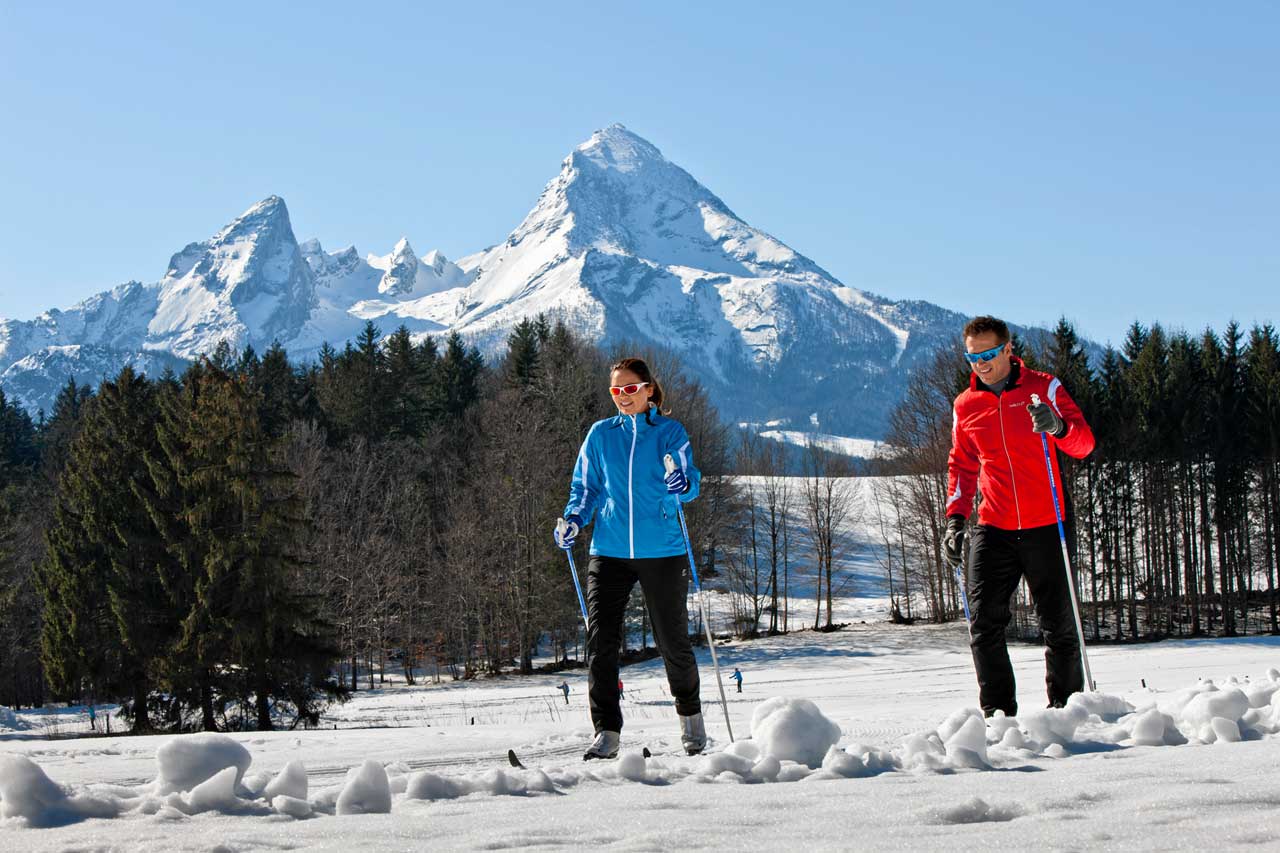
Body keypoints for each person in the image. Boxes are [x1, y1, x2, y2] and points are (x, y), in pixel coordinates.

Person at [944, 316, 1096, 717]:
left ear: (1009, 349)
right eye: (972, 356)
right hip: (993, 525)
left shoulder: (1043, 388)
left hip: (1048, 524)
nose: (981, 363)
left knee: (1059, 626)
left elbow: (1084, 444)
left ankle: (1064, 713)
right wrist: (955, 520)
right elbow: (961, 466)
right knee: (984, 625)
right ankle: (997, 716)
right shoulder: (966, 405)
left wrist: (1058, 426)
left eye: (989, 354)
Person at [555, 357, 705, 760]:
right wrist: (573, 519)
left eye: (630, 388)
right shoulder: (601, 435)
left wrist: (682, 482)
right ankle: (607, 732)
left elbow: (690, 481)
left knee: (672, 642)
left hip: (664, 550)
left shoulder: (669, 432)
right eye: (616, 391)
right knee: (600, 643)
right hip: (609, 550)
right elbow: (584, 488)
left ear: (649, 389)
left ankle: (691, 724)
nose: (623, 397)